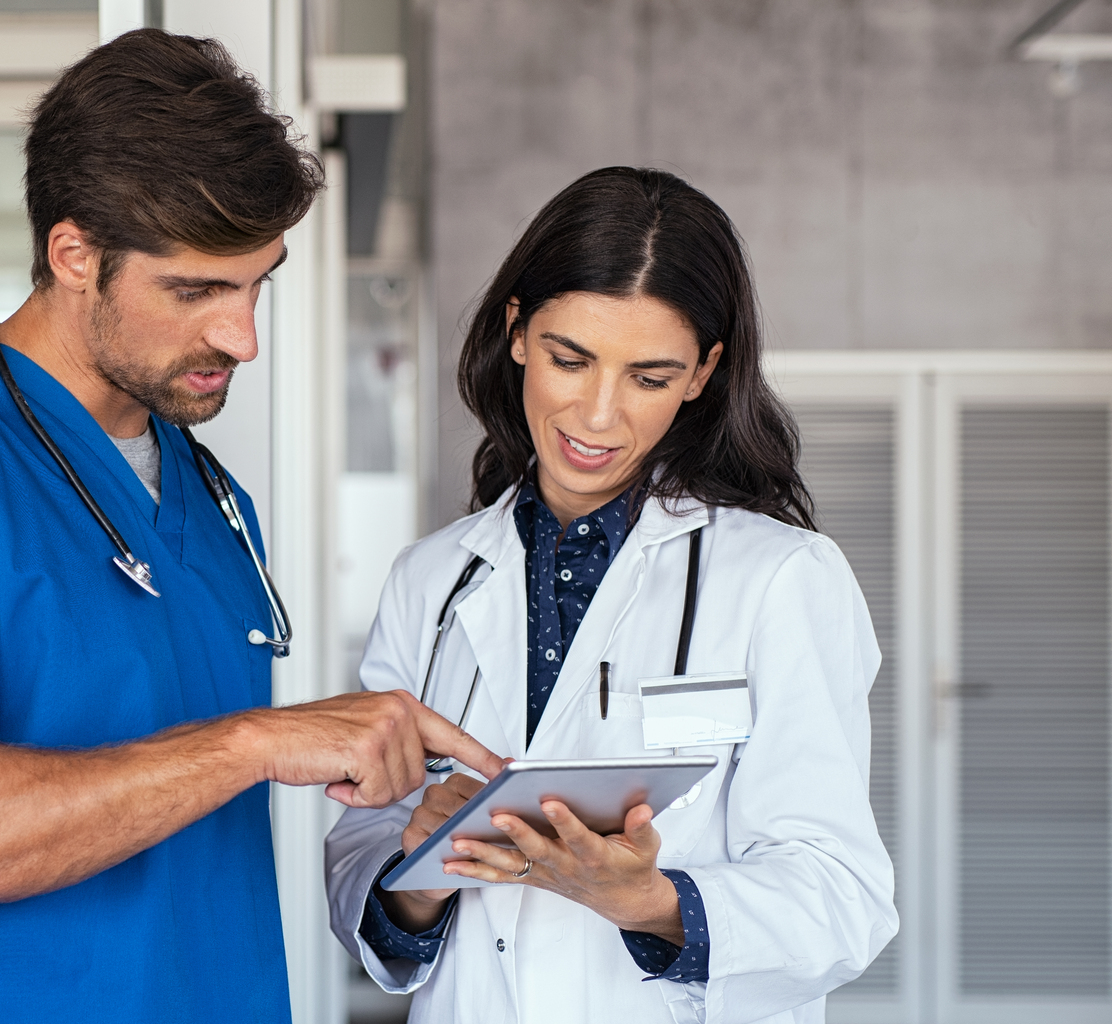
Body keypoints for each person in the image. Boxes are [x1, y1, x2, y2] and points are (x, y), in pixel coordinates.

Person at [0, 30, 500, 1024]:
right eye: (196, 290)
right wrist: (251, 743)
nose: (241, 337)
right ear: (74, 254)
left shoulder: (212, 497)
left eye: (256, 284)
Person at [325, 167, 898, 1023]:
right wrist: (420, 867)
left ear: (703, 373)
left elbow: (843, 900)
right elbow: (358, 855)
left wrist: (649, 901)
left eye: (649, 377)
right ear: (517, 332)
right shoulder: (433, 579)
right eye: (570, 359)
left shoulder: (783, 578)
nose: (598, 415)